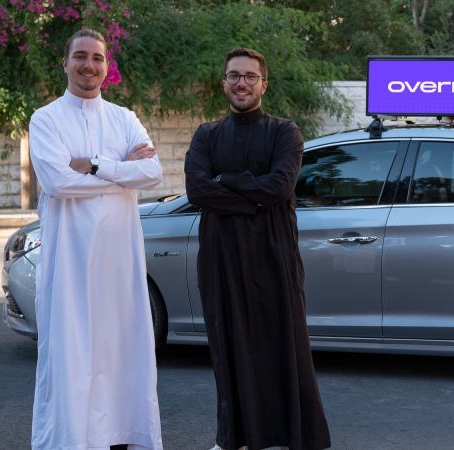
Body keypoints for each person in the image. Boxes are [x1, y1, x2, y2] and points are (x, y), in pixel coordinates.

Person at [184, 48, 331, 450]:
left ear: (264, 84)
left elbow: (279, 187)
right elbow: (197, 190)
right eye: (234, 75)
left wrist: (227, 180)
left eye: (250, 76)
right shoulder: (207, 135)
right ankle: (233, 436)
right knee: (228, 345)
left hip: (273, 256)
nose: (242, 83)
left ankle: (288, 435)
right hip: (221, 259)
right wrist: (254, 197)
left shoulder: (285, 133)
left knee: (281, 344)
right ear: (224, 83)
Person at [28, 28, 164, 450]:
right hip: (69, 261)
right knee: (71, 351)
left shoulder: (124, 118)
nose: (89, 65)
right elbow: (57, 182)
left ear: (107, 67)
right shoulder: (46, 119)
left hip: (118, 260)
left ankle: (121, 435)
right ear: (65, 63)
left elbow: (153, 172)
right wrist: (121, 172)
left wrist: (95, 164)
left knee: (121, 347)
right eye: (80, 56)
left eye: (97, 58)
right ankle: (72, 439)